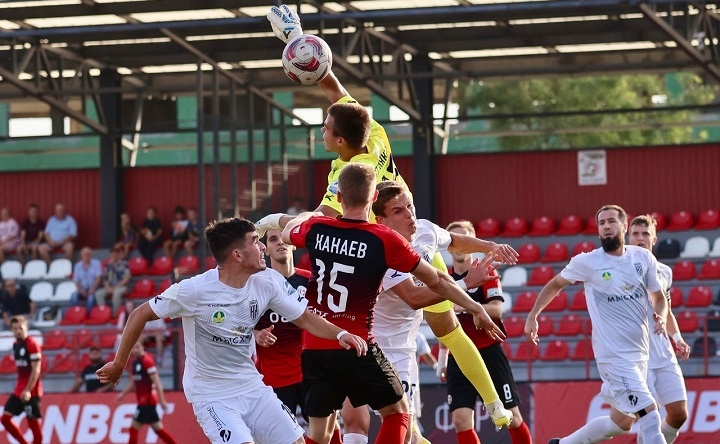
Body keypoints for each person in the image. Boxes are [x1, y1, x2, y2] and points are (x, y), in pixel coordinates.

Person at [282, 163, 505, 444]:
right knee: (398, 415)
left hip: (316, 344)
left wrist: (308, 215)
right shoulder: (384, 239)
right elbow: (433, 283)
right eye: (400, 210)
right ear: (374, 198)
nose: (409, 215)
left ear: (338, 198)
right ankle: (494, 403)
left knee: (320, 432)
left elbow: (289, 231)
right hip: (360, 344)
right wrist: (473, 302)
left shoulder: (318, 227)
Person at [97, 217, 368, 444]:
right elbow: (140, 313)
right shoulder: (195, 290)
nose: (262, 247)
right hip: (212, 397)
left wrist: (341, 334)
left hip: (252, 386)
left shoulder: (268, 282)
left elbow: (306, 318)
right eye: (255, 241)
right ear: (237, 255)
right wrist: (120, 363)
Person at [524, 205, 668, 444]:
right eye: (602, 223)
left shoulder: (643, 258)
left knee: (621, 423)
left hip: (640, 355)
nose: (606, 227)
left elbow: (659, 297)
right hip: (614, 358)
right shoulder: (588, 262)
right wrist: (533, 315)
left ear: (624, 226)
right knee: (651, 417)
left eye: (611, 221)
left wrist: (661, 315)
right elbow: (556, 284)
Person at [440, 220, 532, 444]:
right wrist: (442, 359)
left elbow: (496, 309)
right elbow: (441, 321)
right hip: (458, 356)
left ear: (471, 242)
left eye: (464, 238)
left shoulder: (485, 272)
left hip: (488, 352)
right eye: (454, 240)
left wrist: (460, 305)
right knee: (461, 420)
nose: (459, 245)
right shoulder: (443, 278)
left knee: (512, 417)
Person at [628, 215, 689, 444]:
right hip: (637, 355)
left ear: (654, 239)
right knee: (649, 419)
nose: (640, 239)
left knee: (679, 414)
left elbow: (667, 310)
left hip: (663, 352)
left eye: (645, 234)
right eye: (635, 234)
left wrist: (677, 338)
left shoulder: (664, 271)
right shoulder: (618, 269)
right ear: (628, 237)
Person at [116, 341, 176, 444]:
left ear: (142, 347)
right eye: (133, 348)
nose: (135, 350)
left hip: (147, 402)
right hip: (144, 402)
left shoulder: (147, 361)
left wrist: (162, 401)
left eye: (137, 347)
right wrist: (123, 394)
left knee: (133, 428)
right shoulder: (135, 363)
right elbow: (133, 382)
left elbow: (157, 382)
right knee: (158, 429)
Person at [2, 316, 43, 444]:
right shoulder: (16, 345)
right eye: (15, 328)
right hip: (19, 390)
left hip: (31, 391)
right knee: (5, 419)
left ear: (26, 328)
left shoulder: (32, 344)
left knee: (33, 425)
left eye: (20, 328)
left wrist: (28, 390)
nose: (18, 331)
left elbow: (36, 370)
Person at [95, 246, 131, 317]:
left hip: (122, 287)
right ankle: (103, 313)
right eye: (112, 254)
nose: (113, 256)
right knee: (98, 293)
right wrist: (108, 287)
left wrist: (115, 287)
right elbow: (105, 279)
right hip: (110, 287)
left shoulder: (125, 264)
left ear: (118, 254)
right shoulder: (108, 265)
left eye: (115, 254)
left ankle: (115, 314)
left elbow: (126, 279)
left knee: (116, 293)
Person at [70, 247, 102, 312]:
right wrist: (81, 290)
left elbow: (98, 278)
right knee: (73, 296)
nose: (87, 256)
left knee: (90, 298)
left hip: (94, 288)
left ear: (91, 255)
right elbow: (76, 281)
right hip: (82, 288)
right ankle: (72, 313)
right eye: (85, 255)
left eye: (89, 254)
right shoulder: (77, 266)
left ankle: (87, 314)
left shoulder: (96, 263)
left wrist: (92, 288)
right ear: (81, 256)